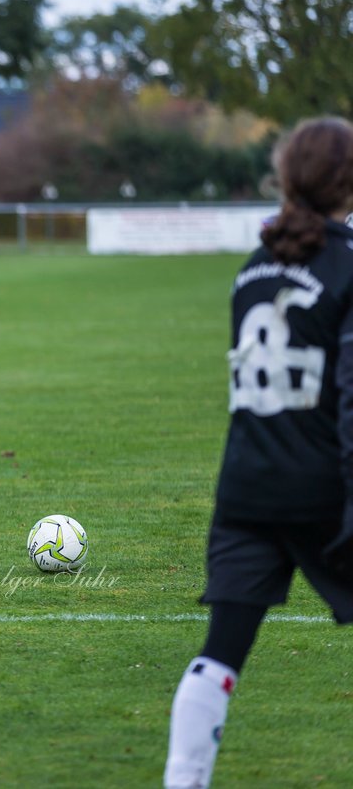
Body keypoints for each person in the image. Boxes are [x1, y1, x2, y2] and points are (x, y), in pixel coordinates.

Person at [163, 117, 353, 788]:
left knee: (221, 656)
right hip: (323, 488)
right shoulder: (346, 263)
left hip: (245, 486)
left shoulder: (253, 268)